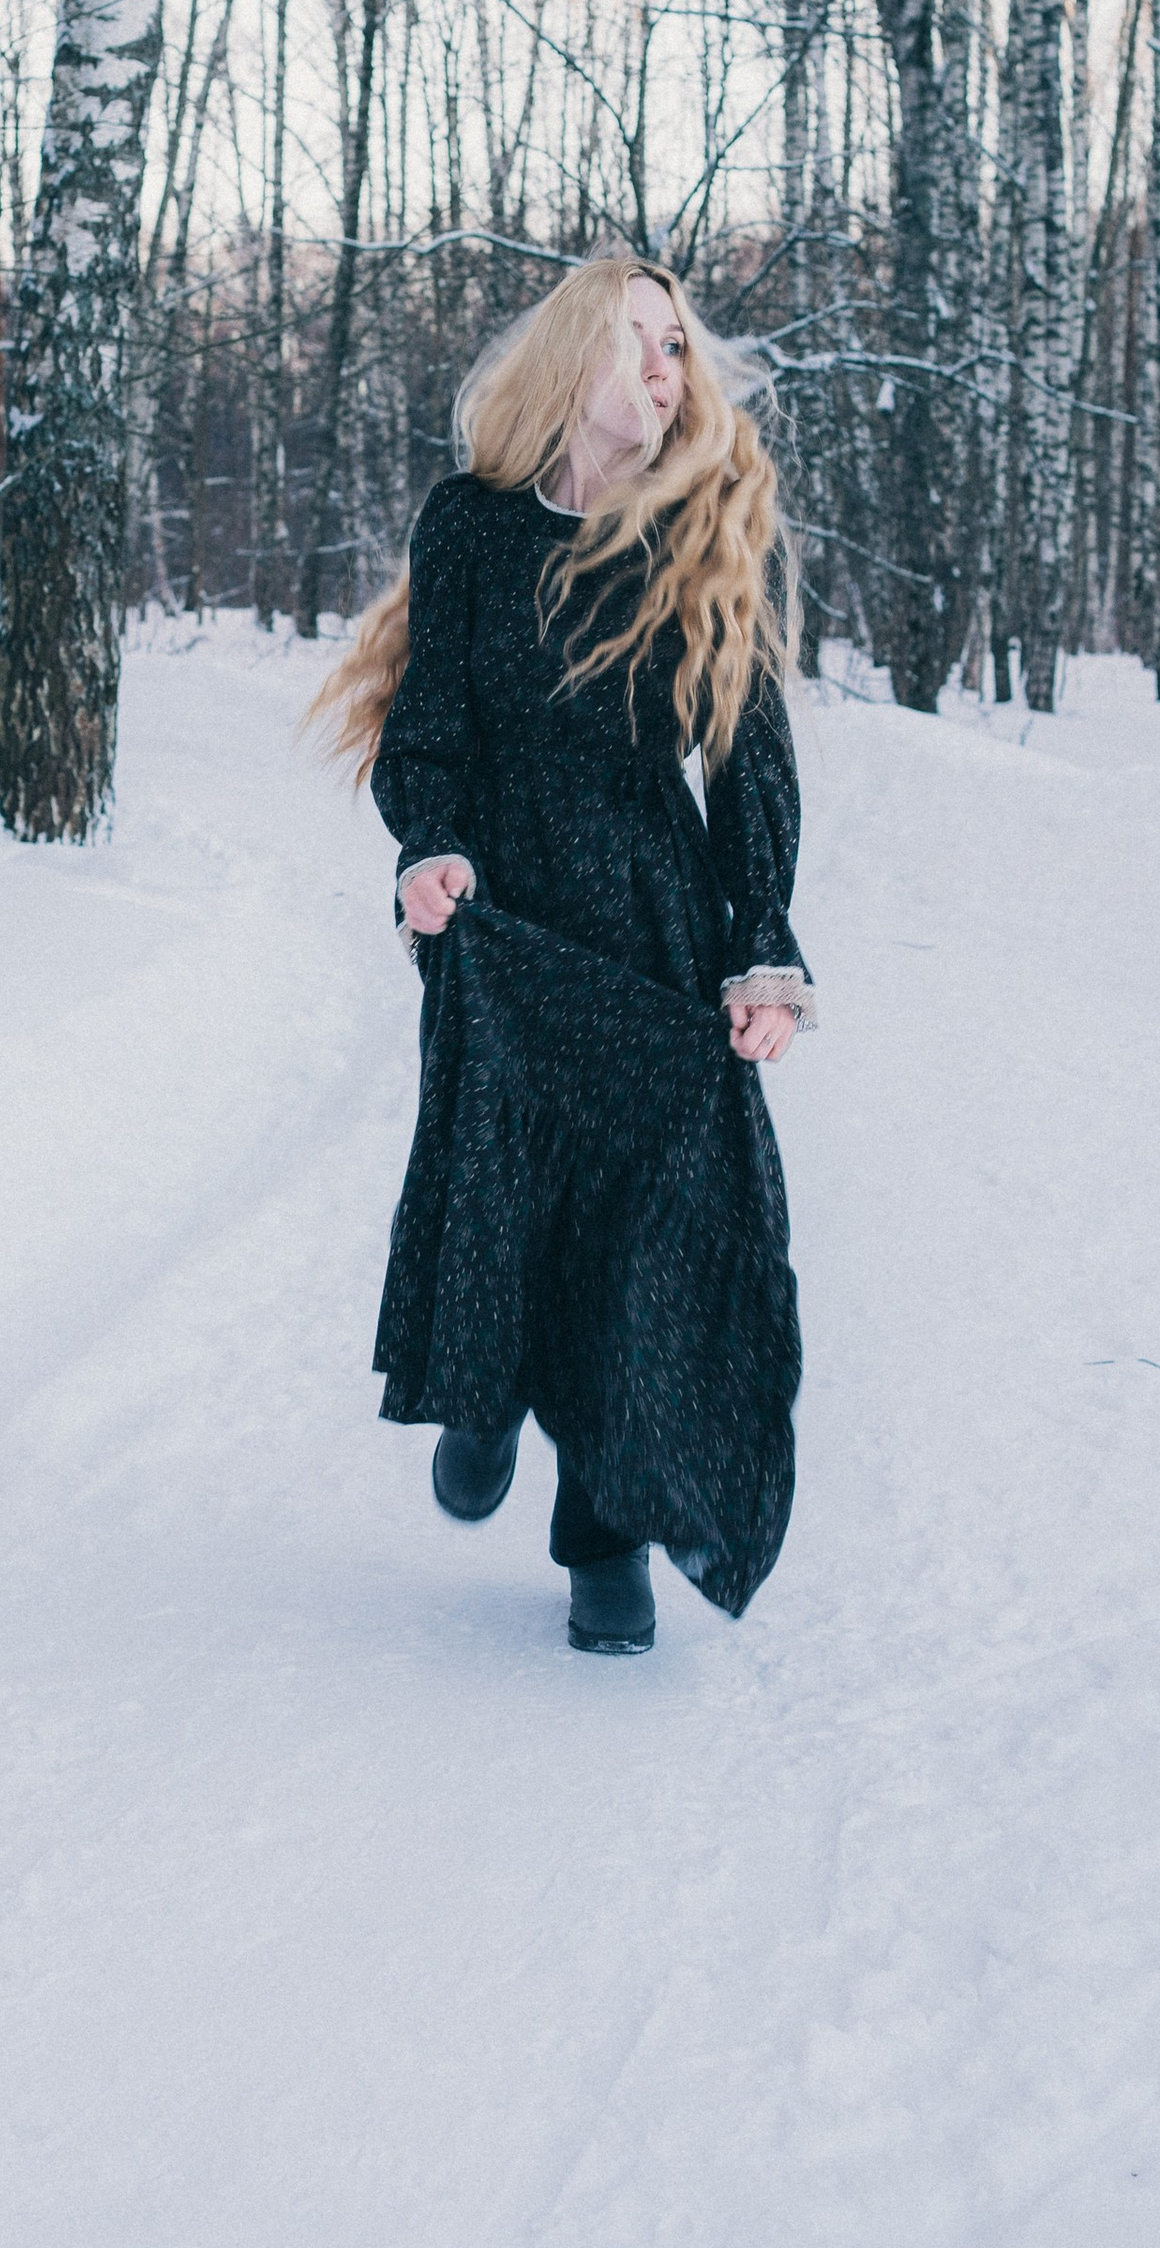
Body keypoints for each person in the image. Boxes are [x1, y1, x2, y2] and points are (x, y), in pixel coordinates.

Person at [311, 252, 815, 1657]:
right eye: (642, 343)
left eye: (679, 349)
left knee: (643, 1247)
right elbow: (430, 733)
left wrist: (758, 943)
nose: (669, 370)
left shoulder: (704, 531)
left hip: (654, 945)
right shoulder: (470, 529)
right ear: (574, 359)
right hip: (506, 935)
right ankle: (480, 1401)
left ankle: (604, 1540)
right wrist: (431, 847)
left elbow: (751, 763)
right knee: (502, 1200)